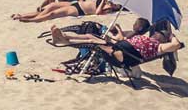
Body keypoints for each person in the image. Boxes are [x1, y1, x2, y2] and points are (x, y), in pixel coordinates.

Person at [50, 21, 183, 68]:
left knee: (92, 42)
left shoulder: (158, 47)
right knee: (92, 36)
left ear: (163, 39)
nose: (157, 34)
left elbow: (176, 45)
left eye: (161, 34)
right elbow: (121, 39)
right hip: (120, 48)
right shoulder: (145, 39)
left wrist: (172, 36)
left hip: (123, 57)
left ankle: (62, 40)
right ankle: (65, 37)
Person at [12, 0, 120, 23]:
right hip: (76, 3)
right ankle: (22, 15)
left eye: (117, 5)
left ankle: (32, 20)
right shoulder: (108, 1)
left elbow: (97, 13)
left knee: (52, 13)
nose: (115, 4)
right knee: (51, 6)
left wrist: (103, 1)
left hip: (79, 11)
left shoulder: (109, 8)